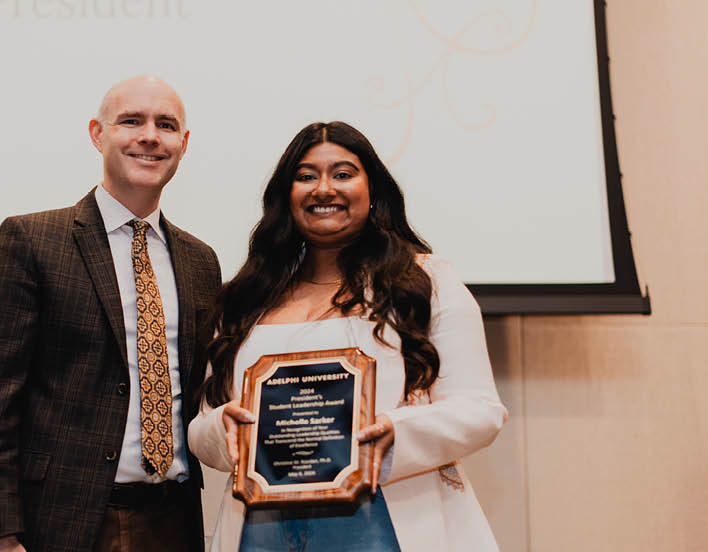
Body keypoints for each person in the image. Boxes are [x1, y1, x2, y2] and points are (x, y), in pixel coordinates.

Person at [187, 121, 507, 552]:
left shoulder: (425, 282)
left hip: (391, 524)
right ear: (287, 196)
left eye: (342, 173)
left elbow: (481, 410)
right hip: (263, 532)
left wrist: (392, 431)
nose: (323, 189)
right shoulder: (245, 300)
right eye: (305, 176)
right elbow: (204, 422)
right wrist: (222, 431)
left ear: (372, 190)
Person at [0, 76, 222, 552]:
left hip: (175, 520)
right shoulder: (33, 240)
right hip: (65, 522)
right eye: (131, 121)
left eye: (165, 125)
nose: (149, 136)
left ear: (183, 144)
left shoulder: (201, 260)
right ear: (97, 134)